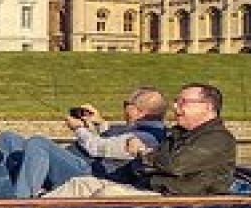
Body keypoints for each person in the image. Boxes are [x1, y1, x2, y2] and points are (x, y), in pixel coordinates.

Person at [44, 82, 238, 198]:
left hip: (176, 198)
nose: (175, 106)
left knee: (107, 195)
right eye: (176, 101)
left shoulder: (218, 139)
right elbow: (152, 162)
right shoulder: (178, 134)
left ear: (207, 107)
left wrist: (141, 152)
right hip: (148, 189)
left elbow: (173, 165)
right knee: (81, 183)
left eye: (183, 102)